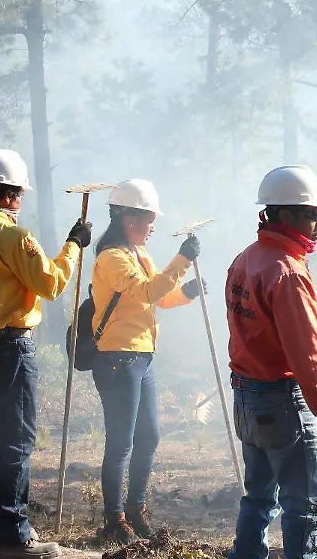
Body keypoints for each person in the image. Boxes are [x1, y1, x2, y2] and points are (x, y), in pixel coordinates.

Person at [0, 149, 91, 559]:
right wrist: (73, 245)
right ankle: (12, 534)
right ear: (11, 195)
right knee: (16, 443)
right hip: (12, 349)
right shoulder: (13, 236)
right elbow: (50, 283)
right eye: (19, 195)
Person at [225, 165, 317, 559]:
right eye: (313, 213)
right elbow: (306, 351)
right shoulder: (289, 272)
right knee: (305, 506)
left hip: (246, 398)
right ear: (286, 213)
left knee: (259, 497)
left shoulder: (247, 259)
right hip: (281, 402)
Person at [88, 179, 204, 544]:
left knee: (150, 435)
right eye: (149, 218)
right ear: (127, 218)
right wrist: (183, 259)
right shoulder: (111, 258)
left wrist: (185, 293)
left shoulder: (139, 255)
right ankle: (115, 518)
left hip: (142, 358)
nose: (153, 226)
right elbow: (147, 291)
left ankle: (136, 509)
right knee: (121, 441)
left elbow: (158, 298)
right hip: (118, 360)